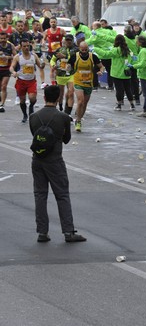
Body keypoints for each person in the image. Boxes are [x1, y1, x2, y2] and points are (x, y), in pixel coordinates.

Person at [29, 85, 86, 243]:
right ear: (58, 98)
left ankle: (42, 232)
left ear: (44, 97)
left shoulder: (34, 117)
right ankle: (68, 231)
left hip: (37, 160)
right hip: (55, 160)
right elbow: (66, 139)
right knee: (62, 195)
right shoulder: (63, 117)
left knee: (40, 195)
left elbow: (34, 135)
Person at [94, 34, 135, 111]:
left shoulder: (116, 50)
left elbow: (106, 54)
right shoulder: (128, 50)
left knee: (119, 90)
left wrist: (96, 49)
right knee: (128, 89)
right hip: (126, 73)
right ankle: (132, 104)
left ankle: (119, 105)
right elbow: (132, 59)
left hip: (117, 74)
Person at [70, 41, 104, 132]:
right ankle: (78, 121)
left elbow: (101, 66)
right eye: (82, 50)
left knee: (84, 103)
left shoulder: (93, 56)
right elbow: (69, 65)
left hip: (88, 83)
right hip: (78, 82)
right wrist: (68, 69)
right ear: (79, 49)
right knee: (80, 101)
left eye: (86, 49)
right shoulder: (75, 56)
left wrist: (101, 71)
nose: (84, 51)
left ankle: (80, 118)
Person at [9, 38, 45, 123]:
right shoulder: (18, 57)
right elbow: (11, 67)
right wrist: (13, 72)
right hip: (21, 81)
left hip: (31, 81)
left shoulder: (34, 56)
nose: (26, 48)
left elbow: (40, 66)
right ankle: (25, 115)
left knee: (32, 98)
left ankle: (31, 106)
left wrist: (43, 64)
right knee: (22, 100)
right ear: (21, 47)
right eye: (24, 46)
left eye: (28, 46)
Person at [49, 34, 77, 114]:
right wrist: (53, 65)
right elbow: (52, 59)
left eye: (70, 40)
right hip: (60, 75)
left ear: (72, 41)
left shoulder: (76, 50)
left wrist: (64, 56)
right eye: (67, 40)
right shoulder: (60, 49)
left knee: (71, 93)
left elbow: (75, 60)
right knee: (60, 94)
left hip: (71, 74)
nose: (68, 42)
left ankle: (68, 113)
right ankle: (60, 107)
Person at [0, 31, 17, 113]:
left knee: (4, 86)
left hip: (6, 70)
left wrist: (8, 57)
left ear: (7, 38)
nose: (3, 40)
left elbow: (15, 56)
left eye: (4, 38)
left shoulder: (10, 46)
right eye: (1, 38)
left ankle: (2, 104)